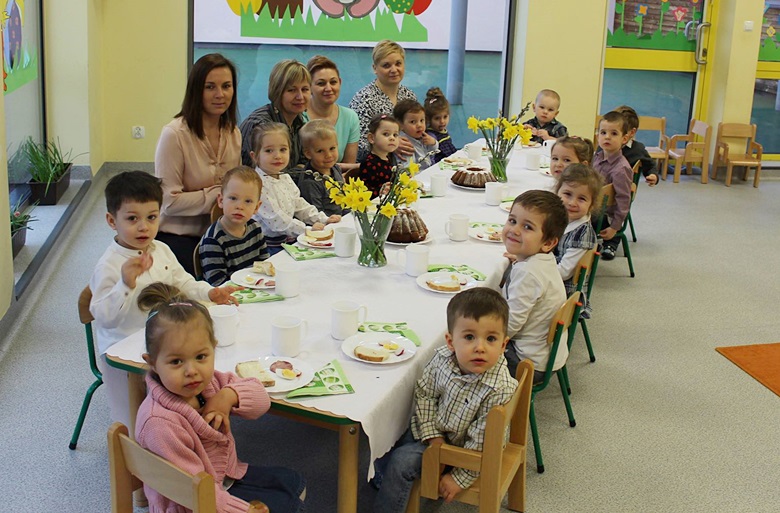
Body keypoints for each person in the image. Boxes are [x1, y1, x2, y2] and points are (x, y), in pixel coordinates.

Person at [134, 282, 306, 513]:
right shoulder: (159, 424)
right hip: (191, 506)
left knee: (294, 482)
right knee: (291, 505)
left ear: (213, 349)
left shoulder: (212, 382)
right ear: (152, 362)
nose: (191, 370)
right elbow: (195, 492)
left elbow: (261, 403)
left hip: (223, 478)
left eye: (201, 356)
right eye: (176, 361)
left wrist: (228, 395)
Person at [89, 171, 240, 426]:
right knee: (132, 418)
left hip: (162, 340)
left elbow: (182, 282)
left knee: (205, 357)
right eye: (132, 218)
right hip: (122, 351)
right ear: (111, 220)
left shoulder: (161, 249)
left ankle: (182, 433)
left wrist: (209, 292)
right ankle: (134, 455)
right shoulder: (109, 265)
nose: (143, 226)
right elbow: (104, 318)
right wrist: (125, 284)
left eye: (151, 217)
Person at [372, 287, 518, 513]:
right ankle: (387, 482)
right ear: (450, 341)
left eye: (491, 339)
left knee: (401, 462)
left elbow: (482, 446)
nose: (480, 347)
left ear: (503, 345)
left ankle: (390, 494)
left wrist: (458, 478)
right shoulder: (443, 358)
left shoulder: (499, 388)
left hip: (464, 451)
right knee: (392, 436)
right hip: (439, 431)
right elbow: (425, 393)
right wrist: (432, 435)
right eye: (469, 337)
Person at [155, 53, 242, 275]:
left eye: (226, 86)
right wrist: (217, 195)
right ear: (196, 91)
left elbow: (237, 188)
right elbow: (169, 202)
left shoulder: (233, 133)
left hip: (222, 230)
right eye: (210, 87)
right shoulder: (174, 135)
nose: (220, 95)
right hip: (180, 236)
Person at [500, 190, 568, 382]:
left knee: (464, 353)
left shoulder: (528, 273)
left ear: (548, 243)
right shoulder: (542, 261)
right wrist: (520, 258)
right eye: (512, 221)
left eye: (527, 227)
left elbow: (511, 325)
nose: (514, 230)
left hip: (527, 363)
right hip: (548, 356)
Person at [250, 122, 341, 254]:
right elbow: (277, 222)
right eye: (269, 150)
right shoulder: (256, 184)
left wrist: (322, 219)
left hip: (289, 240)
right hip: (267, 247)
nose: (277, 156)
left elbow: (299, 204)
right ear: (255, 156)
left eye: (283, 149)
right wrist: (306, 230)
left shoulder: (284, 177)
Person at [199, 166, 270, 286]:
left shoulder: (255, 229)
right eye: (233, 198)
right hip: (229, 295)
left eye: (248, 201)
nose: (239, 206)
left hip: (254, 288)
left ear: (257, 207)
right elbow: (218, 284)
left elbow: (264, 264)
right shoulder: (213, 240)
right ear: (221, 201)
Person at [349, 40, 417, 161]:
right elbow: (358, 145)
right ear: (375, 68)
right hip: (374, 169)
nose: (394, 69)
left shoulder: (409, 96)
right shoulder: (364, 100)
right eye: (386, 65)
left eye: (398, 63)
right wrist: (391, 145)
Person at [240, 60, 311, 169]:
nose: (300, 97)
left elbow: (305, 164)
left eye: (305, 89)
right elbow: (255, 174)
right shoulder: (259, 125)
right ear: (277, 92)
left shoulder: (299, 122)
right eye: (292, 90)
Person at [554, 164, 603, 317]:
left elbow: (563, 272)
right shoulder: (561, 218)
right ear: (557, 192)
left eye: (581, 199)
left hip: (563, 295)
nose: (572, 203)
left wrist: (534, 265)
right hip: (553, 281)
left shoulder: (582, 236)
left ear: (591, 205)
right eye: (567, 194)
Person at [304, 55, 360, 173]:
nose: (328, 88)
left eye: (333, 82)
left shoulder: (351, 117)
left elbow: (349, 167)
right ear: (309, 86)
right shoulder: (299, 116)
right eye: (321, 83)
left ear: (339, 82)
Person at [592, 111, 633, 261]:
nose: (607, 137)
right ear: (597, 136)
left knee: (572, 216)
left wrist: (615, 227)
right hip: (594, 206)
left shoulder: (621, 169)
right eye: (603, 132)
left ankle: (610, 242)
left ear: (624, 138)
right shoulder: (597, 157)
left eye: (614, 133)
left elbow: (623, 201)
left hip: (605, 216)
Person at [298, 120, 349, 216]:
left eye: (332, 148)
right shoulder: (309, 182)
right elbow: (315, 214)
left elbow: (344, 199)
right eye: (320, 151)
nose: (328, 155)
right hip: (327, 224)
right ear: (308, 153)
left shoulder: (335, 168)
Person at [356, 114, 401, 198]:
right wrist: (381, 191)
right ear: (372, 138)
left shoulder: (388, 159)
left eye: (395, 135)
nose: (392, 138)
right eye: (386, 134)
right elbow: (365, 193)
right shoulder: (369, 164)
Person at [614, 105, 659, 186]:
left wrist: (653, 175)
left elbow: (650, 165)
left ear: (632, 132)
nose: (609, 137)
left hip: (624, 188)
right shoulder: (604, 146)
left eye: (615, 133)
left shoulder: (638, 149)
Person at [393, 99, 438, 169]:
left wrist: (433, 143)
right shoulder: (404, 143)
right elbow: (407, 169)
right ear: (400, 124)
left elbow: (433, 151)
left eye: (422, 120)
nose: (419, 125)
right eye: (413, 122)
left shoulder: (420, 135)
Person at [424, 87, 457, 163]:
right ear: (428, 119)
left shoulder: (443, 131)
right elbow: (430, 157)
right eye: (437, 118)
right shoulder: (431, 135)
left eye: (445, 117)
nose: (442, 121)